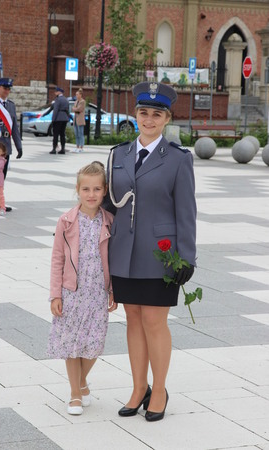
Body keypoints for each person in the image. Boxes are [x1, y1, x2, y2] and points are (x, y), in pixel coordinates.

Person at [105, 82, 197, 422]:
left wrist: (186, 256)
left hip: (161, 255)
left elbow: (186, 212)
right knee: (132, 319)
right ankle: (138, 387)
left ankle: (159, 390)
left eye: (156, 114)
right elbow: (108, 204)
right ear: (135, 115)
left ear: (167, 118)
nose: (149, 118)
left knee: (155, 322)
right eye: (144, 112)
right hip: (124, 253)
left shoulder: (177, 159)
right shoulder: (119, 154)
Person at [47, 161, 117, 416]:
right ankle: (75, 394)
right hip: (72, 293)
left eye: (97, 189)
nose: (91, 194)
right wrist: (55, 294)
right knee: (72, 345)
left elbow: (115, 259)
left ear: (104, 190)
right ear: (78, 189)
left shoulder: (109, 221)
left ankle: (82, 381)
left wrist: (113, 291)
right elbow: (57, 258)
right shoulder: (66, 222)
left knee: (94, 344)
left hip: (98, 293)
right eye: (86, 189)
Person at [0, 77, 23, 213]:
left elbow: (14, 129)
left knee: (3, 176)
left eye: (9, 89)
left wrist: (19, 147)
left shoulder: (11, 105)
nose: (7, 91)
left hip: (6, 146)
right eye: (5, 88)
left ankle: (0, 202)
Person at [43, 87, 69, 155]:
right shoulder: (66, 99)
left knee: (56, 134)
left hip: (58, 118)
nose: (55, 93)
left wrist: (53, 119)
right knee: (62, 134)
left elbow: (55, 110)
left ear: (59, 92)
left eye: (56, 92)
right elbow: (67, 110)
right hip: (64, 118)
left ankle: (54, 149)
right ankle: (63, 149)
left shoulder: (58, 99)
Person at [71, 88, 86, 153]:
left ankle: (81, 147)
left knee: (80, 133)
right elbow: (73, 108)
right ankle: (77, 146)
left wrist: (75, 109)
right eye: (76, 94)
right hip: (75, 120)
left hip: (80, 120)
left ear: (80, 95)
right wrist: (75, 109)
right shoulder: (76, 101)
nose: (76, 96)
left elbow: (79, 109)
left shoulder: (82, 101)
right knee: (76, 134)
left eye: (77, 94)